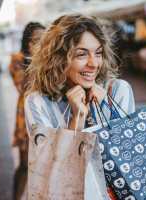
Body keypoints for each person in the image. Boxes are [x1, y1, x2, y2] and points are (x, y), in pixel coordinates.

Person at [24, 14, 135, 200]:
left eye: (98, 53)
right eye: (81, 54)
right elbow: (50, 173)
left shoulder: (117, 91)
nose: (93, 64)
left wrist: (102, 114)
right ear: (58, 58)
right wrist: (77, 119)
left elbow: (129, 158)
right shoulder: (38, 103)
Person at [9, 22, 45, 200]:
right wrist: (37, 61)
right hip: (25, 116)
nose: (41, 44)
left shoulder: (47, 60)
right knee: (24, 165)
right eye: (36, 40)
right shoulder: (17, 59)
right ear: (27, 42)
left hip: (43, 117)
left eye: (43, 40)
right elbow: (24, 86)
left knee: (41, 165)